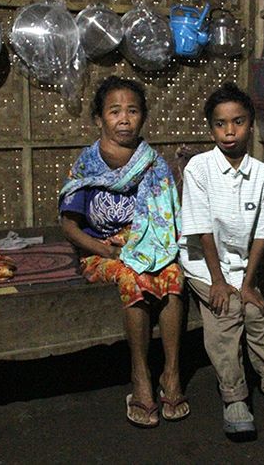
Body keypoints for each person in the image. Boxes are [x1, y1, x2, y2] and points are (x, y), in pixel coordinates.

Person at [58, 76, 189, 428]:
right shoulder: (86, 164)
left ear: (143, 117)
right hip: (102, 254)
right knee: (134, 275)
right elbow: (69, 227)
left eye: (132, 111)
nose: (124, 119)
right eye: (114, 111)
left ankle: (172, 373)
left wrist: (146, 246)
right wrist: (105, 249)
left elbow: (166, 220)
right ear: (99, 119)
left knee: (172, 273)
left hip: (147, 247)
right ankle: (140, 376)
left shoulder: (153, 164)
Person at [179, 82, 264, 440]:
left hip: (241, 266)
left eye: (238, 122)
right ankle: (234, 396)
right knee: (227, 311)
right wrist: (219, 282)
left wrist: (248, 284)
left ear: (251, 125)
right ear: (210, 128)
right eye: (220, 124)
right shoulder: (198, 169)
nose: (229, 131)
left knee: (255, 312)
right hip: (205, 264)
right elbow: (202, 231)